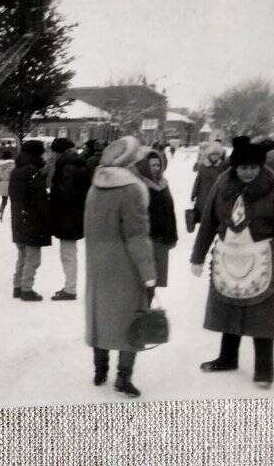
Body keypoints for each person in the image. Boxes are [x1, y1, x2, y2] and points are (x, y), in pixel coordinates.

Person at [190, 141, 274, 388]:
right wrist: (198, 257)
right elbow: (209, 220)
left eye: (253, 167)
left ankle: (264, 369)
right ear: (235, 167)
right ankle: (227, 358)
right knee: (228, 305)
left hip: (261, 256)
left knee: (261, 315)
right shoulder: (223, 183)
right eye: (243, 167)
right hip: (227, 254)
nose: (248, 172)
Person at [84, 136, 157, 398]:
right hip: (126, 268)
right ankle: (123, 377)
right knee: (132, 318)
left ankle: (99, 369)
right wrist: (149, 275)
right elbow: (137, 236)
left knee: (100, 315)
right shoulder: (132, 189)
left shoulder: (95, 186)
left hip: (98, 265)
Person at [48, 138, 91, 301]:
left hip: (67, 216)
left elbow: (65, 193)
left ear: (59, 152)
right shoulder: (76, 163)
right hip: (74, 215)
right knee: (69, 253)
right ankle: (69, 286)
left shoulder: (66, 167)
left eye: (53, 151)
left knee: (68, 254)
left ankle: (70, 288)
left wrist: (53, 201)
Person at [9, 140, 51, 302]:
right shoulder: (32, 171)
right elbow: (38, 197)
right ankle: (27, 289)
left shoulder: (17, 170)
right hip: (33, 219)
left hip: (19, 217)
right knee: (33, 258)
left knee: (22, 255)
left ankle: (17, 286)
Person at [134, 147, 178, 288]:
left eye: (158, 165)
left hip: (162, 240)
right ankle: (142, 307)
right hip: (146, 239)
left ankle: (147, 307)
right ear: (146, 166)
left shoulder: (164, 184)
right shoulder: (139, 185)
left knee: (156, 280)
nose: (156, 168)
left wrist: (172, 235)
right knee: (144, 280)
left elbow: (170, 212)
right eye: (153, 165)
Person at [190, 140, 226, 229]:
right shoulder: (203, 166)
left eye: (217, 154)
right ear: (209, 154)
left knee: (215, 215)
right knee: (204, 215)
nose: (215, 156)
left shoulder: (223, 167)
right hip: (203, 195)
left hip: (217, 196)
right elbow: (198, 180)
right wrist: (194, 194)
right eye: (213, 154)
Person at [0, 149, 15, 222]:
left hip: (3, 183)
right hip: (11, 183)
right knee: (13, 201)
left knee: (4, 201)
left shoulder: (1, 166)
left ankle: (0, 215)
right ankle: (13, 215)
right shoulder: (12, 165)